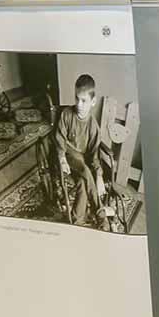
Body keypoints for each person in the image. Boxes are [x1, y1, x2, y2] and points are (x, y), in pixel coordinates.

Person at [54, 74, 107, 230]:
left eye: (84, 101)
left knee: (82, 183)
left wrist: (99, 175)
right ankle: (100, 214)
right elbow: (59, 140)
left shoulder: (93, 126)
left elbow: (95, 153)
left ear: (93, 101)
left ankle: (78, 222)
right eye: (76, 98)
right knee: (84, 169)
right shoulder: (66, 115)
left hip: (83, 161)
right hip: (69, 156)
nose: (79, 104)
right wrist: (62, 158)